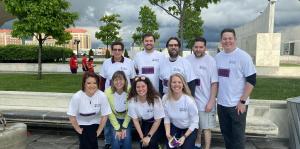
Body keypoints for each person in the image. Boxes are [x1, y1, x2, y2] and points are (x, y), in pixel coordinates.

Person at [215, 28, 256, 149]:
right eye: (224, 39)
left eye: (230, 38)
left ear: (235, 40)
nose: (227, 41)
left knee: (238, 138)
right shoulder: (217, 57)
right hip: (222, 104)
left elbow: (252, 80)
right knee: (226, 135)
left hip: (237, 105)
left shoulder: (243, 57)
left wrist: (242, 101)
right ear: (221, 41)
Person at [99, 41, 136, 149]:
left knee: (124, 134)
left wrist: (133, 94)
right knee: (108, 124)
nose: (117, 51)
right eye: (115, 49)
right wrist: (102, 96)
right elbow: (102, 80)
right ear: (112, 50)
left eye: (119, 49)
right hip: (109, 97)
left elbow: (133, 80)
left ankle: (121, 140)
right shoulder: (106, 63)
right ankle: (108, 142)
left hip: (125, 96)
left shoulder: (129, 62)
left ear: (122, 51)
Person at [186, 37, 218, 149]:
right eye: (196, 47)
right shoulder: (188, 60)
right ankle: (197, 143)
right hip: (191, 101)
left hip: (205, 101)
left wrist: (211, 101)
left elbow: (214, 83)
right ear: (192, 47)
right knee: (195, 126)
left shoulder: (211, 61)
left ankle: (207, 147)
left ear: (205, 48)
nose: (198, 49)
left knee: (206, 128)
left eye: (201, 47)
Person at [67, 72, 112, 149]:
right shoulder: (77, 97)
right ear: (84, 84)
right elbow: (71, 115)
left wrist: (99, 131)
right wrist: (78, 129)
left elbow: (105, 115)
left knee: (90, 140)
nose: (92, 86)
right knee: (87, 141)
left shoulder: (102, 96)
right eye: (88, 83)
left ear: (98, 84)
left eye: (94, 83)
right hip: (81, 123)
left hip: (95, 122)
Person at [127, 76, 165, 149]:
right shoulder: (132, 101)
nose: (141, 89)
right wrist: (142, 137)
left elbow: (157, 121)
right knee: (143, 144)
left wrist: (149, 136)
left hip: (158, 124)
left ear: (148, 86)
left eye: (143, 86)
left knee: (152, 142)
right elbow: (135, 121)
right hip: (145, 123)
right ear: (135, 88)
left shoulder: (156, 99)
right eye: (138, 87)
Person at [162, 73, 199, 149]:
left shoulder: (189, 101)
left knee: (186, 147)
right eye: (174, 82)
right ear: (170, 84)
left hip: (190, 128)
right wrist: (168, 134)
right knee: (171, 147)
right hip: (176, 126)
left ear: (183, 84)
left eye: (179, 82)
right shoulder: (165, 98)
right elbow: (167, 118)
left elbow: (195, 121)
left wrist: (184, 137)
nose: (176, 85)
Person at [105, 71, 132, 149]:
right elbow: (109, 111)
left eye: (121, 79)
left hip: (127, 118)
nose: (118, 82)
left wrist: (124, 126)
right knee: (116, 138)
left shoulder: (130, 90)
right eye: (116, 80)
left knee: (126, 139)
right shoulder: (107, 92)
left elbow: (131, 110)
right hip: (114, 118)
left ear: (125, 80)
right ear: (112, 81)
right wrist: (117, 127)